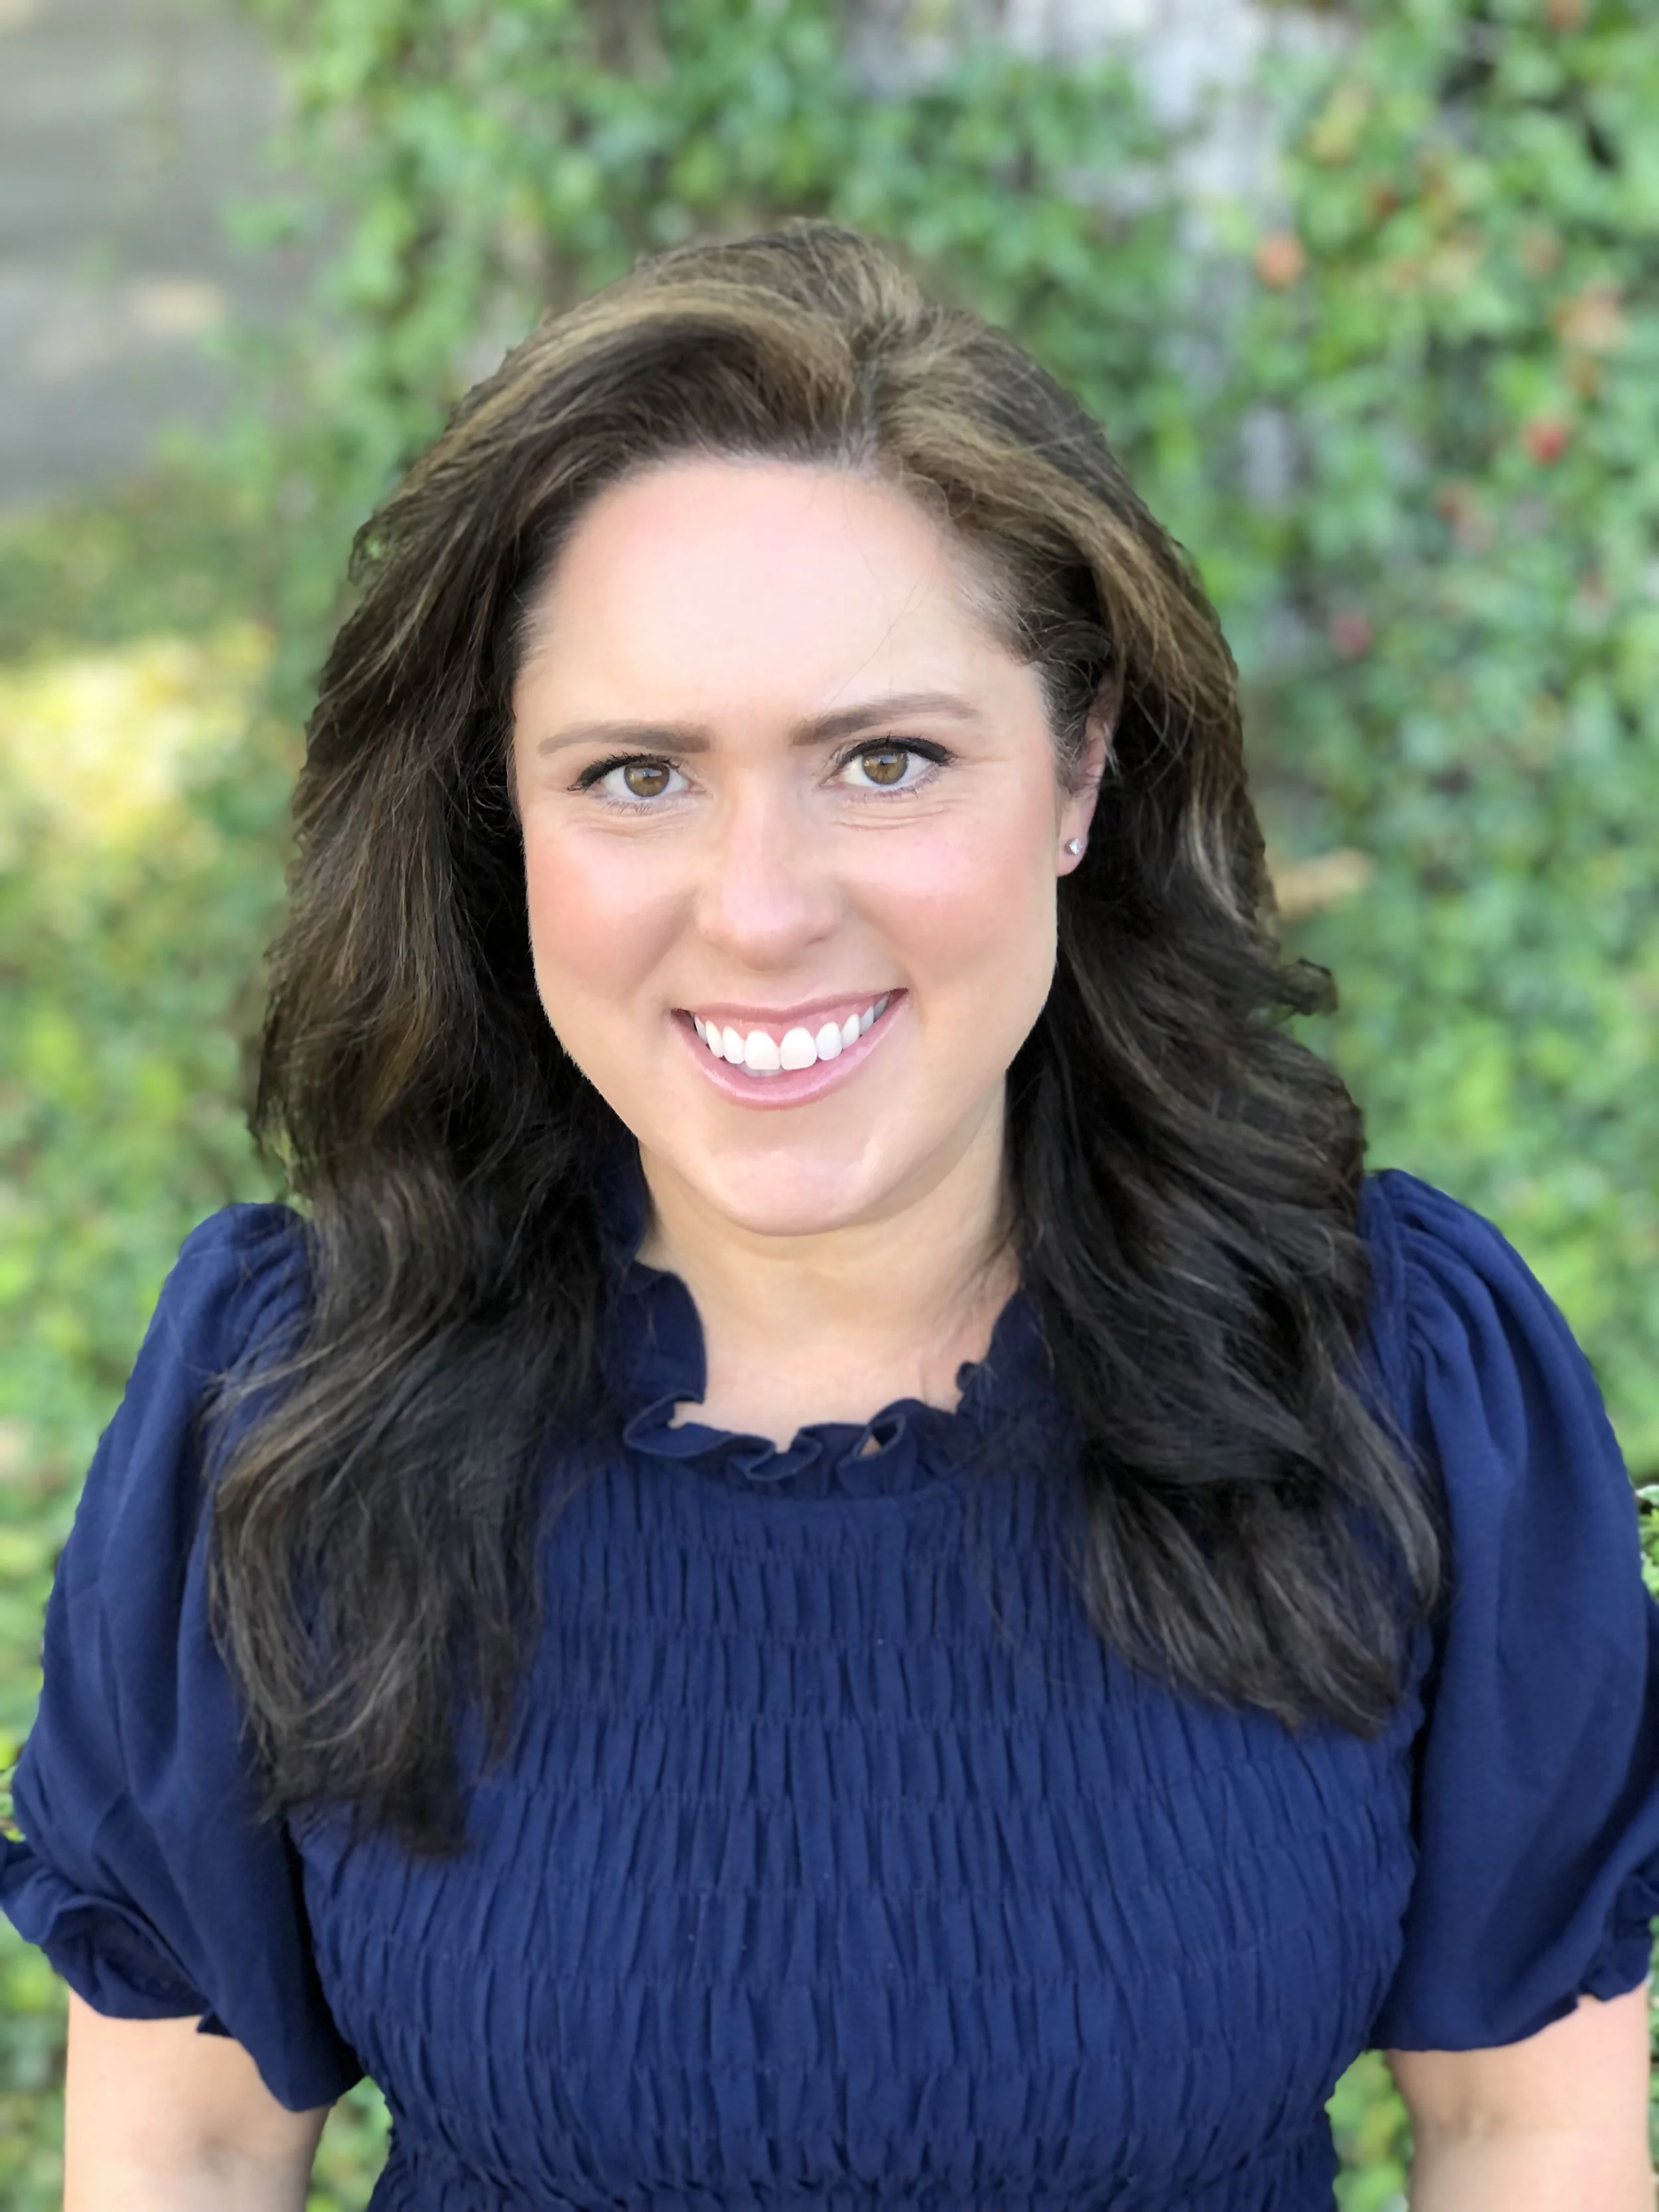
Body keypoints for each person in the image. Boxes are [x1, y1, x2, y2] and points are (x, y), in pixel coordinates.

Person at [3, 220, 1656, 2212]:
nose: (763, 905)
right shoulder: (282, 1395)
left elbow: (1520, 2131)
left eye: (884, 759)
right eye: (634, 775)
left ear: (1075, 769)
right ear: (496, 815)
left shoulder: (1400, 1380)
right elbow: (185, 2142)